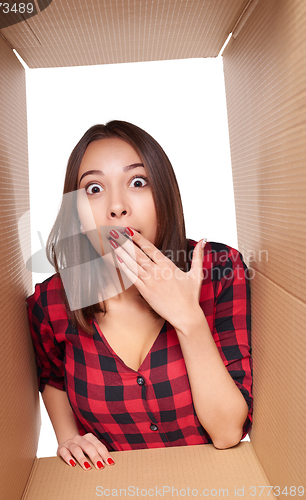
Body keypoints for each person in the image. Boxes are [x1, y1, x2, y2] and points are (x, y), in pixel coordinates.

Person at [26, 120, 252, 472]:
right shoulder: (52, 301)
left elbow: (227, 432)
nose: (116, 208)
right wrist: (68, 437)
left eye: (137, 182)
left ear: (164, 192)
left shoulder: (218, 268)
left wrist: (188, 319)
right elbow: (53, 376)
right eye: (94, 189)